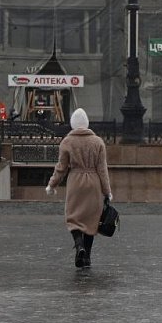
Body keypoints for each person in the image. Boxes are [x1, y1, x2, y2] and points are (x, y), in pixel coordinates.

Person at [45, 108, 112, 268]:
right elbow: (102, 169)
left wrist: (52, 184)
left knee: (73, 217)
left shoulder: (67, 142)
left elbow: (61, 168)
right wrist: (107, 191)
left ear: (73, 124)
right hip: (94, 183)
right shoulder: (98, 142)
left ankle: (79, 245)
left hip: (75, 181)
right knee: (91, 220)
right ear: (87, 123)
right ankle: (87, 257)